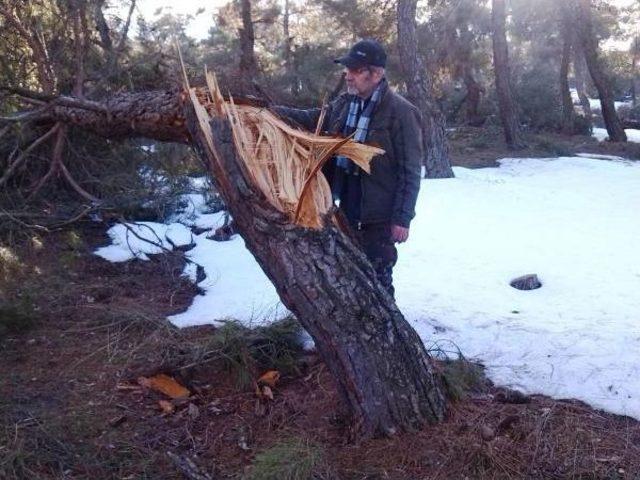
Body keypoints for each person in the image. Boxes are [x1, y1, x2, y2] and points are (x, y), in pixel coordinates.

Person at [273, 39, 423, 297]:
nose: (347, 75)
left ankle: (387, 332)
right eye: (347, 69)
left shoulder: (402, 112)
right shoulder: (345, 103)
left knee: (379, 281)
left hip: (379, 214)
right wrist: (270, 112)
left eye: (355, 70)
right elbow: (314, 119)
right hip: (345, 207)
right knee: (352, 277)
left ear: (376, 74)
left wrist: (402, 218)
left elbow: (411, 171)